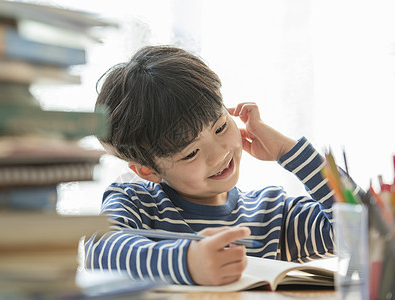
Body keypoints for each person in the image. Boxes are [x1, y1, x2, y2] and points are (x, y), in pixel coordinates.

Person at [84, 45, 359, 286]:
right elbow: (100, 251)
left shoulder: (271, 214)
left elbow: (365, 232)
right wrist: (188, 263)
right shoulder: (136, 203)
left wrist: (289, 151)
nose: (218, 155)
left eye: (220, 127)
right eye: (190, 153)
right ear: (148, 170)